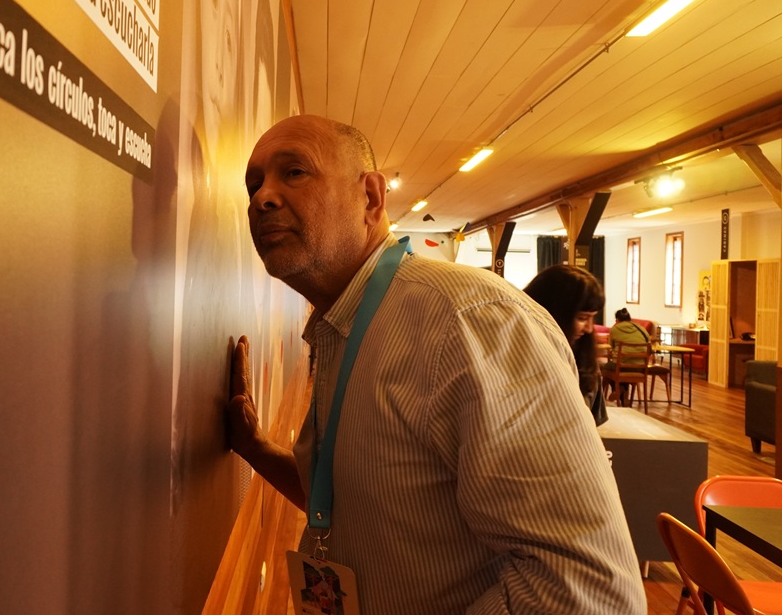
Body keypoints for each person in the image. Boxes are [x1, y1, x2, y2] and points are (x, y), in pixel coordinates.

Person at [226, 114, 645, 613]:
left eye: (294, 172)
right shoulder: (340, 325)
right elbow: (351, 501)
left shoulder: (471, 320)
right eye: (254, 184)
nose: (263, 197)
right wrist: (254, 448)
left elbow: (588, 592)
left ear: (371, 197)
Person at [522, 264, 608, 426]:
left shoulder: (586, 363)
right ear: (552, 313)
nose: (589, 329)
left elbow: (593, 425)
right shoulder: (517, 359)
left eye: (593, 317)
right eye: (582, 318)